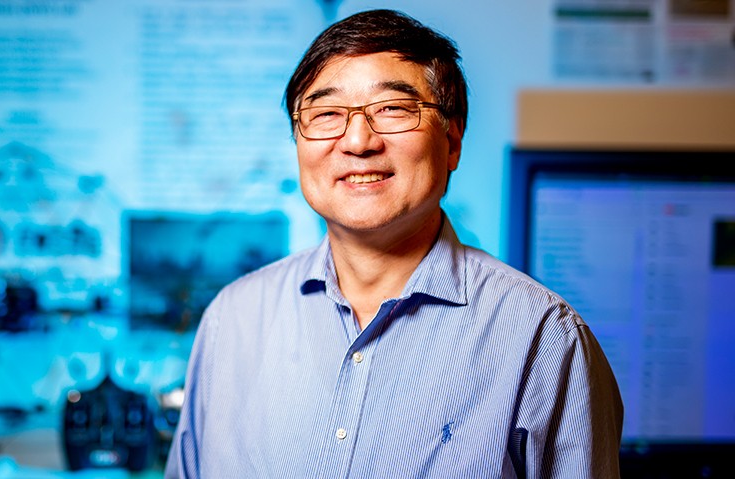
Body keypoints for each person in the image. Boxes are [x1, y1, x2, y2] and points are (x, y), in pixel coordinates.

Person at [164, 9, 623, 479]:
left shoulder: (543, 338)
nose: (358, 141)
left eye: (393, 110)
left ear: (453, 140)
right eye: (326, 114)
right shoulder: (233, 320)